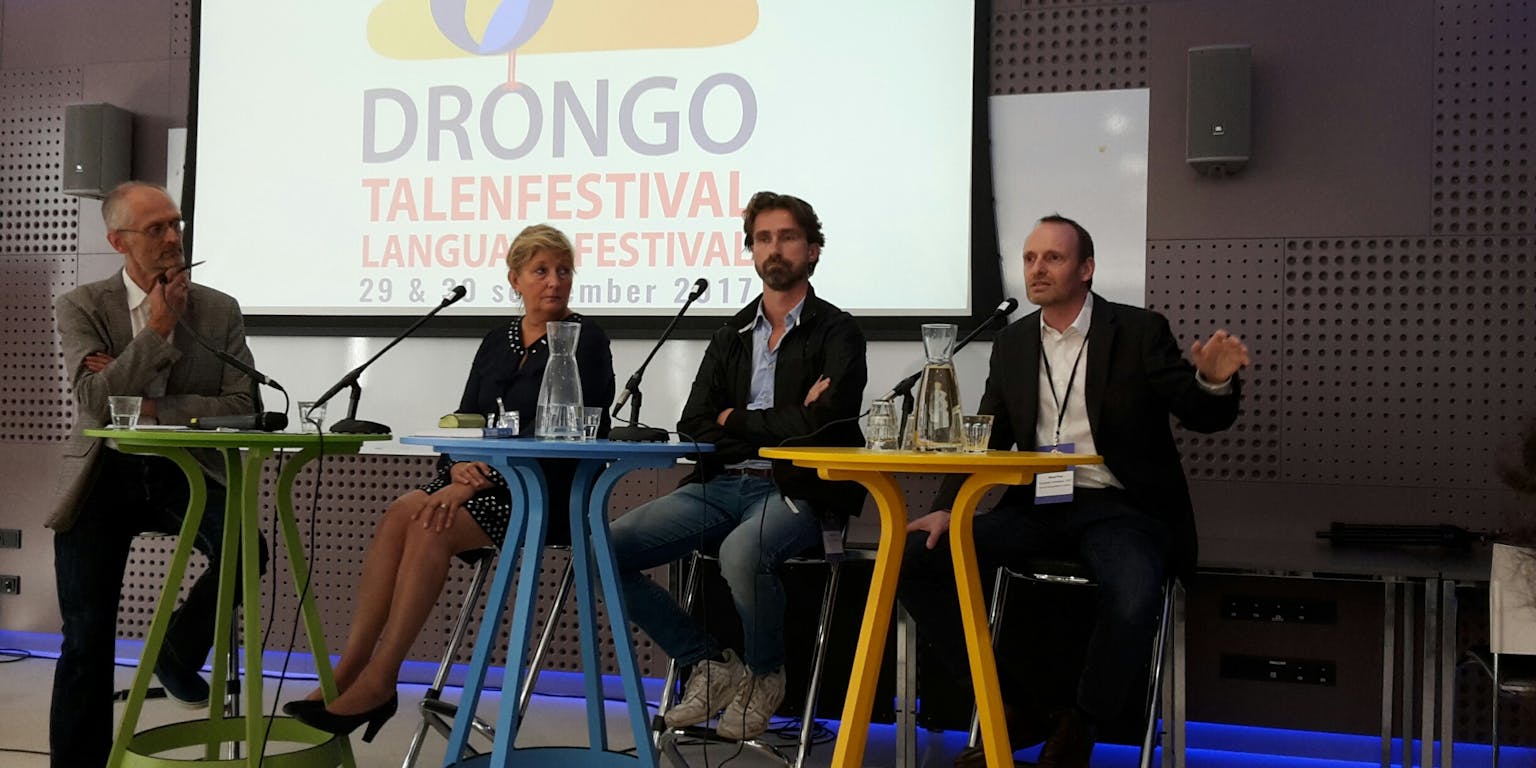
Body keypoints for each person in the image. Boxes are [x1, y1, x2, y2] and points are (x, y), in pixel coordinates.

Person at [899, 214, 1251, 768]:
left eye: (1053, 258)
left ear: (1086, 269)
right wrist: (945, 507)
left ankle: (1080, 724)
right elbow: (986, 433)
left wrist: (1212, 380)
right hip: (1039, 502)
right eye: (1030, 259)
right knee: (916, 560)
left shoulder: (1136, 331)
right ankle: (1009, 705)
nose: (1038, 269)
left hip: (1119, 506)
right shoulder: (1013, 342)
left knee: (1134, 590)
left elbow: (1200, 413)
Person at [290, 223, 615, 740]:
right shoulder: (497, 341)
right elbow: (466, 419)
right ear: (515, 279)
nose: (554, 281)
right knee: (404, 508)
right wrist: (457, 467)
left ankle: (381, 678)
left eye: (563, 270)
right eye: (540, 271)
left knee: (430, 527)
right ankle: (347, 669)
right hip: (486, 486)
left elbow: (566, 433)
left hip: (544, 494)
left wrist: (475, 480)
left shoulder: (585, 341)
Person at [608, 191, 868, 741]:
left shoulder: (838, 332)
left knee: (741, 550)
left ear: (813, 251)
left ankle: (765, 676)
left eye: (788, 236)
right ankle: (708, 664)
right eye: (763, 238)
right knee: (603, 548)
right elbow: (695, 422)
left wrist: (738, 419)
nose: (775, 248)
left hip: (798, 487)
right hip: (722, 483)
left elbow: (827, 424)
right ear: (751, 251)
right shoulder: (730, 335)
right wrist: (779, 418)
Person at [50, 181, 268, 768]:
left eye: (176, 225)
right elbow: (96, 402)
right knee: (85, 637)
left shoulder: (219, 308)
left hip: (187, 469)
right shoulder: (82, 306)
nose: (173, 238)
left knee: (249, 546)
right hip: (104, 471)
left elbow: (243, 405)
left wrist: (146, 404)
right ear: (117, 241)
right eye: (156, 229)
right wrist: (157, 331)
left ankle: (176, 651)